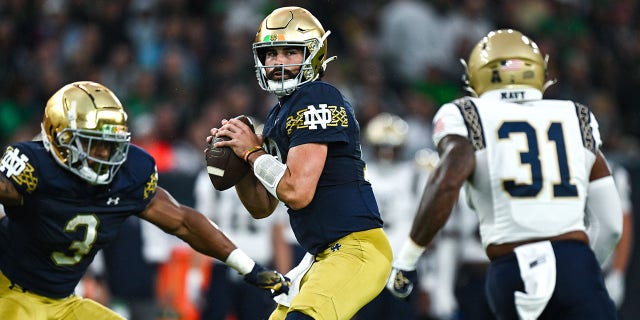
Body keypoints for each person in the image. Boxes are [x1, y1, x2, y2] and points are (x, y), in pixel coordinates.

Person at [0, 81, 290, 320]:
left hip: (63, 301)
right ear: (58, 139)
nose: (104, 155)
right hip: (9, 292)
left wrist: (249, 268)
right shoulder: (31, 166)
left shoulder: (128, 172)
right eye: (93, 144)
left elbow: (183, 222)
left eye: (110, 144)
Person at [386, 29, 623, 320]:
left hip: (514, 266)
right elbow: (611, 224)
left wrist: (407, 259)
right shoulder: (577, 115)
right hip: (575, 261)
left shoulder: (466, 113)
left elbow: (448, 179)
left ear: (477, 74)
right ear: (538, 70)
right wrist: (584, 269)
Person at [209, 6, 392, 320]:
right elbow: (262, 207)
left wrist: (253, 153)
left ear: (314, 55)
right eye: (271, 53)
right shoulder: (279, 111)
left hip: (355, 249)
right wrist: (239, 161)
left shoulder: (317, 95)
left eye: (290, 52)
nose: (278, 62)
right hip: (322, 255)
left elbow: (297, 192)